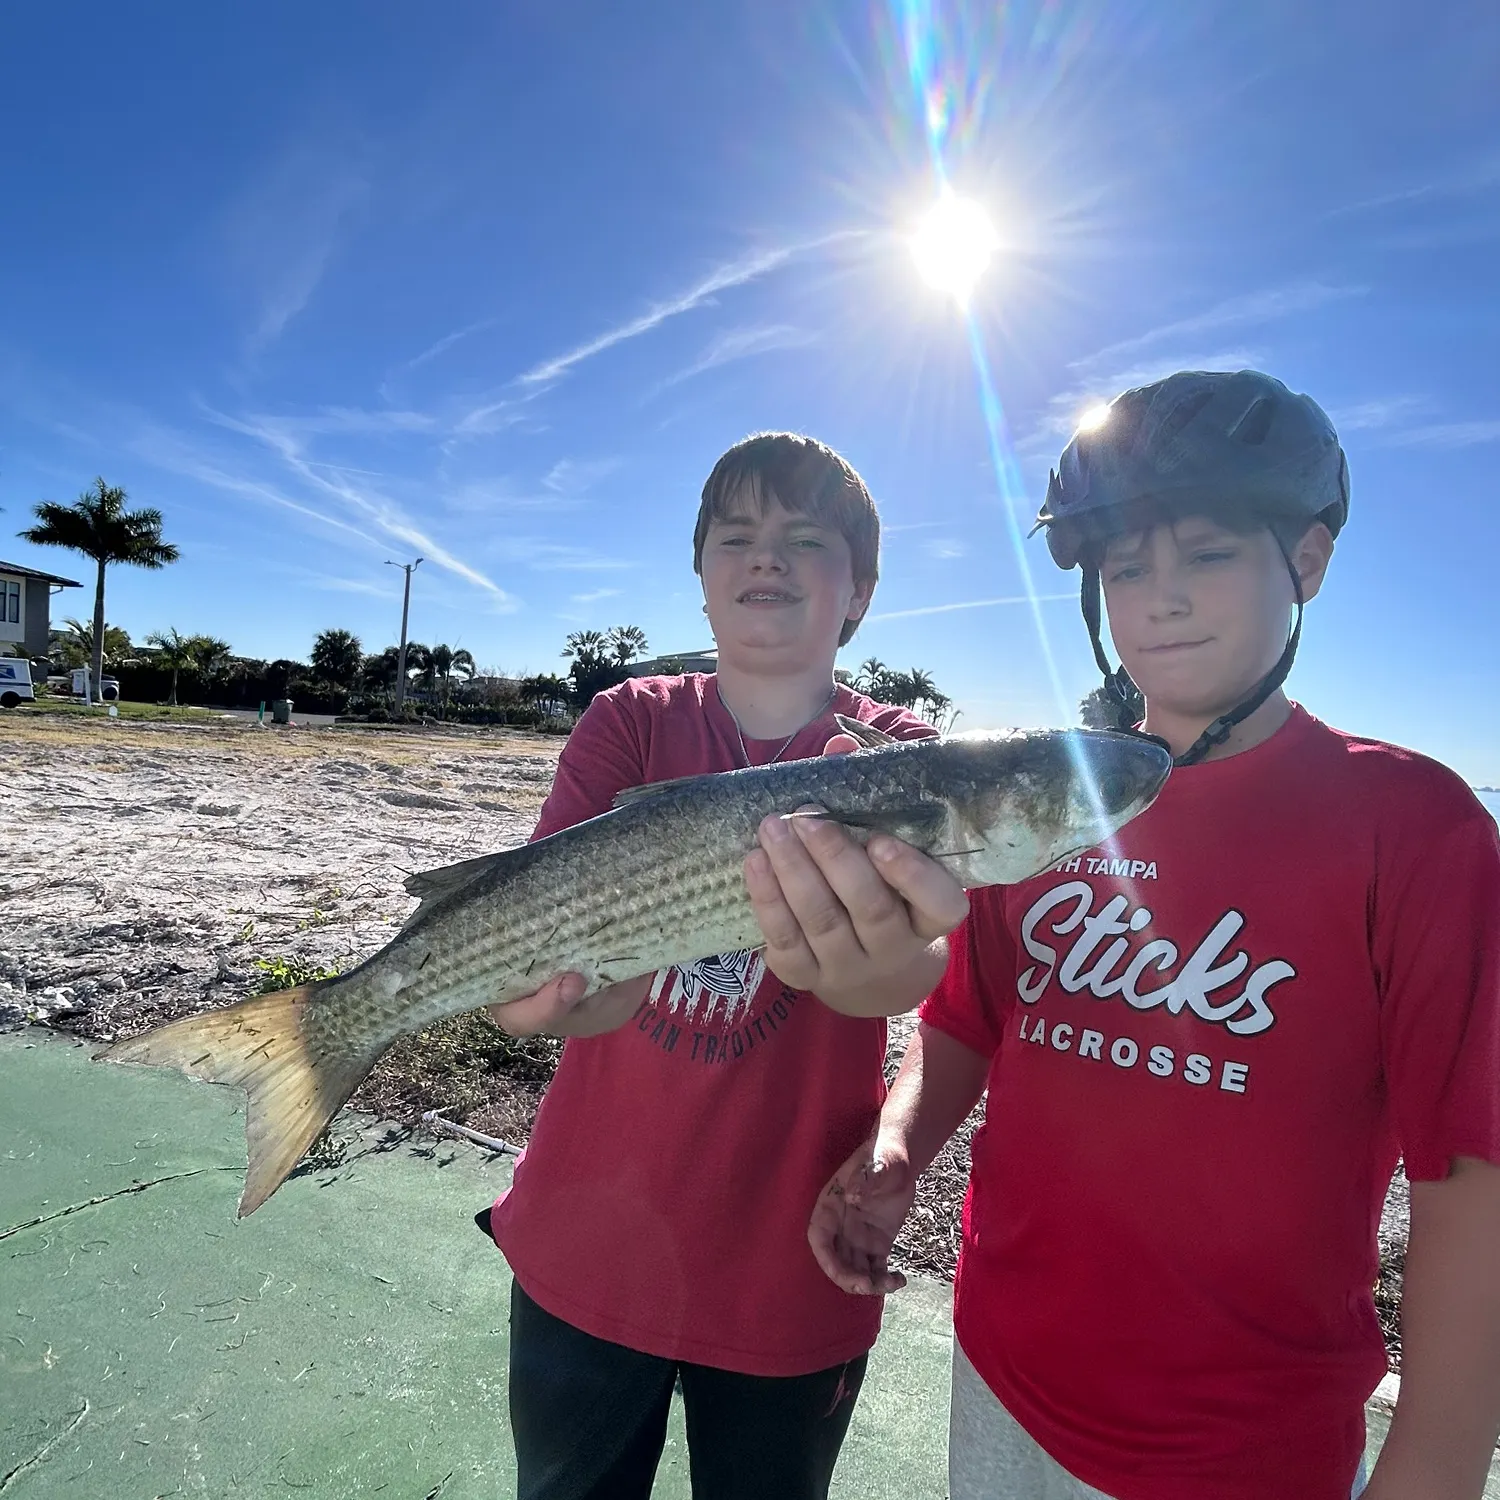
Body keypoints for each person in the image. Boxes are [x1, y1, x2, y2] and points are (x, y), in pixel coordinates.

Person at [808, 370, 1500, 1500]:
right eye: (1127, 567)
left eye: (1210, 553)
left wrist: (1436, 1461)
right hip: (999, 1370)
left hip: (1242, 1443)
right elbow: (964, 1018)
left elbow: (1469, 1174)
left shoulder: (1415, 828)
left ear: (1309, 562)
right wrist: (897, 1148)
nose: (1160, 597)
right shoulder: (1029, 799)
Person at [481, 431, 971, 1500]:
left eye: (806, 540)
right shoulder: (628, 719)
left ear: (861, 591)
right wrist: (553, 1005)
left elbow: (904, 975)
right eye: (738, 536)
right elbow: (541, 971)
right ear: (700, 574)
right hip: (584, 1241)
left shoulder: (902, 758)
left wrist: (876, 961)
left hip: (792, 1269)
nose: (768, 559)